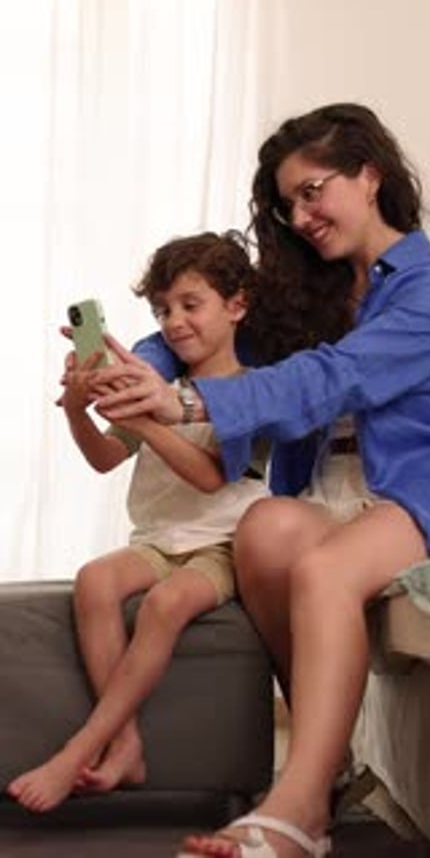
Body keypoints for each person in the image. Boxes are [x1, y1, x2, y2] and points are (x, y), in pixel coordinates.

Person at [88, 103, 430, 858]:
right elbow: (192, 314)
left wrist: (184, 403)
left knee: (323, 569)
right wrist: (144, 367)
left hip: (416, 495)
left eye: (313, 191)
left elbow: (336, 376)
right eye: (288, 204)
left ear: (369, 174)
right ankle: (327, 763)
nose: (302, 217)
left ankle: (299, 807)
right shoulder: (310, 294)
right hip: (323, 493)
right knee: (264, 528)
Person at [7, 230, 269, 814]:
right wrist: (79, 410)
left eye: (190, 304)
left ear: (237, 305)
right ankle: (124, 744)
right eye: (163, 310)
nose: (174, 322)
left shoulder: (255, 393)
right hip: (159, 540)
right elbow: (104, 457)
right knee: (95, 580)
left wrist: (146, 419)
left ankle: (82, 748)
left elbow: (211, 478)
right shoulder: (160, 385)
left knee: (165, 605)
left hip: (222, 544)